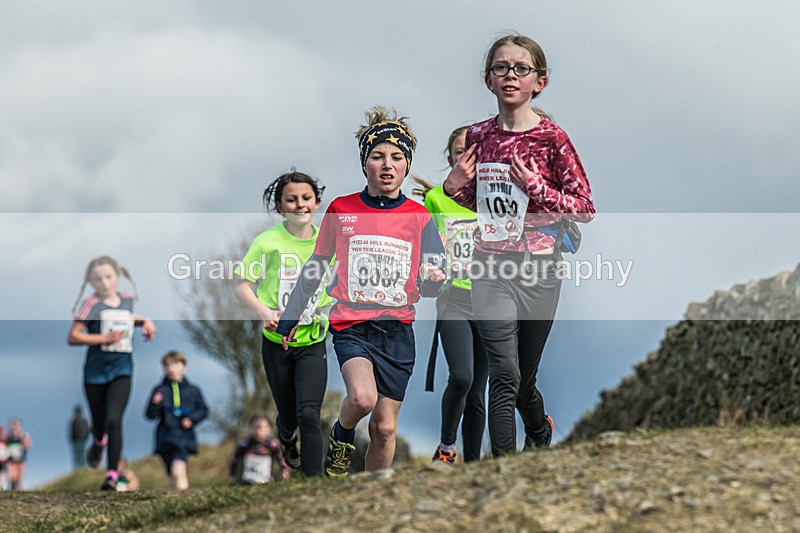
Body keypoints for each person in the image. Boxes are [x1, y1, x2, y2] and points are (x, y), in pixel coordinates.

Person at [443, 33, 595, 456]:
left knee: (524, 379)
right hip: (490, 267)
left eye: (521, 68)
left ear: (539, 82)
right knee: (503, 373)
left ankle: (538, 427)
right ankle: (503, 468)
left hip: (541, 268)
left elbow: (583, 208)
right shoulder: (477, 135)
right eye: (500, 68)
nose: (510, 75)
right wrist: (453, 188)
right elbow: (481, 203)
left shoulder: (553, 139)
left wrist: (536, 188)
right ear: (488, 80)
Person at [277, 105, 446, 478]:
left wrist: (434, 277)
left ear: (405, 165)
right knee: (362, 398)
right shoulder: (341, 208)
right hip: (352, 326)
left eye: (397, 157)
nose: (387, 165)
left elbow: (436, 274)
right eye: (378, 156)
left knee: (385, 429)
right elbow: (316, 267)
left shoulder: (420, 216)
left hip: (398, 331)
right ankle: (341, 434)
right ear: (364, 164)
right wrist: (290, 318)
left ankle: (373, 498)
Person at [234, 170, 331, 477]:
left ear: (317, 202)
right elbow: (241, 286)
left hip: (313, 341)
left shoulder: (328, 244)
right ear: (280, 206)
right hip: (276, 343)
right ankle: (286, 437)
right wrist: (264, 311)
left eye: (306, 198)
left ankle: (313, 483)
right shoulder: (267, 243)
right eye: (291, 200)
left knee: (309, 414)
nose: (299, 205)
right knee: (289, 416)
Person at [411, 125, 489, 465]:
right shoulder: (436, 199)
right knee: (462, 375)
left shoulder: (494, 201)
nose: (469, 158)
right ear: (450, 160)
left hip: (491, 299)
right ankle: (446, 446)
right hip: (453, 298)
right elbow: (426, 248)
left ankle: (473, 466)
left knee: (478, 391)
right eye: (461, 152)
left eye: (476, 151)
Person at [67, 255, 156, 490]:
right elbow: (74, 336)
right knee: (99, 424)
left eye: (108, 277)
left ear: (117, 277)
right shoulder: (91, 304)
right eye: (98, 279)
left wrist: (145, 321)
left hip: (122, 370)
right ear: (91, 282)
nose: (104, 283)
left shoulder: (127, 300)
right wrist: (103, 338)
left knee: (114, 420)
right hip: (95, 374)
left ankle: (112, 474)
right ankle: (97, 442)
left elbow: (126, 319)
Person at [145, 350, 209, 491]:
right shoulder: (159, 390)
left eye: (175, 364)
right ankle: (177, 502)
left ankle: (184, 499)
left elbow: (204, 410)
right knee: (172, 474)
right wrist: (155, 403)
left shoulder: (193, 390)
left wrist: (192, 419)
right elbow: (149, 415)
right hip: (165, 438)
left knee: (178, 471)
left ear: (183, 367)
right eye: (167, 365)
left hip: (184, 438)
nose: (171, 368)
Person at [229, 414, 291, 485]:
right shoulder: (245, 443)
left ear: (269, 429)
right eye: (256, 427)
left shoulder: (273, 444)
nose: (259, 430)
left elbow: (283, 462)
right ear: (250, 428)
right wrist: (233, 477)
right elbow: (234, 460)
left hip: (266, 483)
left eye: (263, 427)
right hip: (247, 483)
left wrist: (285, 473)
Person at [5, 418, 32, 490]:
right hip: (11, 461)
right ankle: (12, 491)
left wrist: (25, 441)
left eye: (16, 425)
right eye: (13, 425)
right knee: (11, 478)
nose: (14, 427)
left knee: (18, 479)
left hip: (21, 461)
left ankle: (18, 491)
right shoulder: (8, 437)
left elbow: (28, 447)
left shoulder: (23, 436)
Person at [68, 405, 90, 469]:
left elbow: (71, 431)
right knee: (82, 454)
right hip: (82, 440)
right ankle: (82, 467)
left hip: (77, 440)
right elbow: (87, 430)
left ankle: (78, 467)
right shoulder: (84, 420)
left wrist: (72, 439)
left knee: (78, 454)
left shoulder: (74, 421)